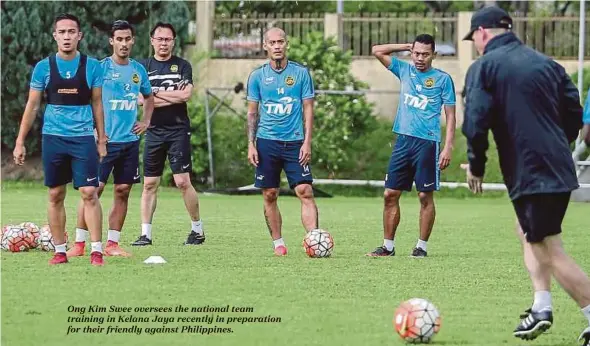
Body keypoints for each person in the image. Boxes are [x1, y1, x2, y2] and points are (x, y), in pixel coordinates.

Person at [461, 6, 590, 344]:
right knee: (529, 232)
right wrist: (557, 145)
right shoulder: (547, 64)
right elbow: (574, 113)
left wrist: (475, 164)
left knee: (548, 248)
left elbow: (475, 121)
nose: (474, 43)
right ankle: (541, 306)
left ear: (483, 33)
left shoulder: (484, 67)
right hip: (556, 166)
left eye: (473, 37)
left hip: (531, 170)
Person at [12, 13, 106, 266]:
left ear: (79, 36)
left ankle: (96, 250)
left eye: (71, 32)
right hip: (53, 138)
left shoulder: (92, 66)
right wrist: (20, 141)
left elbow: (97, 104)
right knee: (55, 194)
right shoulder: (44, 67)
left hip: (83, 137)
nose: (67, 36)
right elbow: (32, 106)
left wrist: (102, 139)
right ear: (55, 36)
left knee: (89, 192)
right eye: (62, 32)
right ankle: (60, 251)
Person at [67, 20, 154, 257]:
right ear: (111, 41)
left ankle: (112, 244)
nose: (124, 43)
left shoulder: (138, 70)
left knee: (123, 190)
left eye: (128, 39)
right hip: (103, 142)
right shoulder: (100, 68)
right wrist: (92, 130)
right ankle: (79, 243)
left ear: (133, 40)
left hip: (129, 142)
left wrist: (145, 121)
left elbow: (149, 97)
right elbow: (85, 98)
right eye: (120, 39)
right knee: (92, 191)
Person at [366, 34, 456, 258]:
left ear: (433, 55)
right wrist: (405, 46)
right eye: (416, 53)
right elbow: (377, 50)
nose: (420, 58)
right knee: (390, 194)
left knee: (425, 196)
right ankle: (387, 247)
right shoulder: (404, 70)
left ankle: (421, 248)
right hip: (403, 141)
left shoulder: (443, 80)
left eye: (425, 54)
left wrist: (448, 147)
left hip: (427, 143)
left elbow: (451, 116)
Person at [246, 27, 319, 256]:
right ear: (265, 46)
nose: (277, 46)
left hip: (295, 142)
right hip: (266, 142)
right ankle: (278, 243)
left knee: (305, 190)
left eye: (281, 42)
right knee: (269, 193)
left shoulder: (300, 74)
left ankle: (314, 241)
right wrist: (251, 143)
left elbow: (308, 109)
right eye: (272, 42)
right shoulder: (257, 76)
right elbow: (252, 113)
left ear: (287, 44)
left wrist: (307, 142)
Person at [130, 22, 203, 246]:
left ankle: (197, 230)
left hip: (178, 129)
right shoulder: (142, 67)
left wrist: (155, 94)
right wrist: (167, 94)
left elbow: (185, 96)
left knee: (182, 181)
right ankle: (145, 234)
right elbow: (141, 100)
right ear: (152, 40)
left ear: (173, 41)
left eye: (168, 39)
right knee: (149, 183)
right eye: (160, 39)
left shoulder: (182, 66)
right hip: (153, 131)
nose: (164, 43)